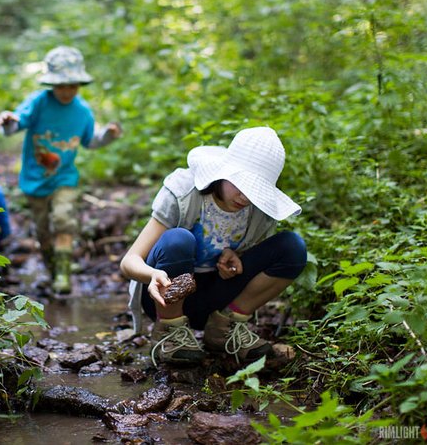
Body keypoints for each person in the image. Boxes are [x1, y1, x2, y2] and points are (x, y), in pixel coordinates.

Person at [119, 127, 307, 366]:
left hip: (217, 295)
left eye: (254, 189)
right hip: (166, 293)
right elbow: (129, 261)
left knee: (292, 247)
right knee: (179, 240)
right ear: (223, 173)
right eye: (241, 183)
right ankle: (171, 331)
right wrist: (154, 273)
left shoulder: (259, 211)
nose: (245, 197)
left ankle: (224, 327)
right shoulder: (184, 192)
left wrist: (234, 255)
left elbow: (251, 257)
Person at [0, 45, 121, 294]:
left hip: (64, 177)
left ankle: (64, 276)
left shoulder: (82, 111)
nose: (67, 91)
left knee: (63, 220)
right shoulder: (39, 103)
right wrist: (7, 121)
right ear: (52, 85)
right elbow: (16, 124)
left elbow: (91, 141)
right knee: (43, 230)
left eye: (72, 85)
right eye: (61, 85)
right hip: (35, 179)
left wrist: (107, 135)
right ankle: (52, 270)